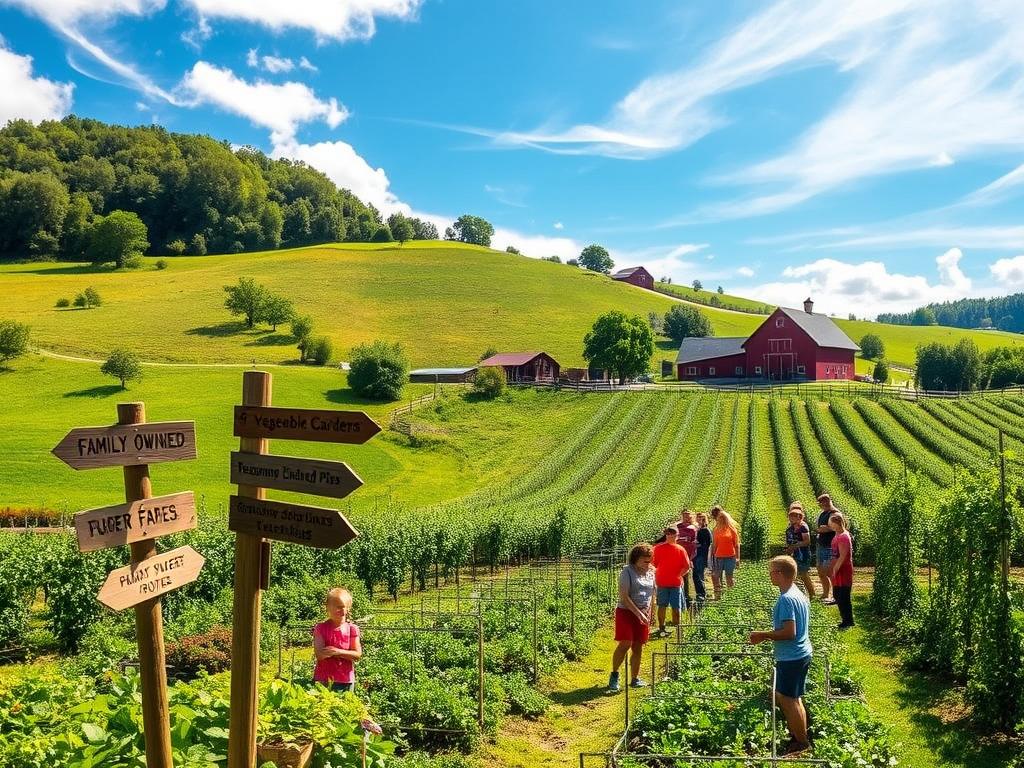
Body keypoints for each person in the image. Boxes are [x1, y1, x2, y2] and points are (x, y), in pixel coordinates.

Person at [749, 556, 813, 756]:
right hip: (801, 652)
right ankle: (798, 736)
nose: (770, 575)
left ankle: (802, 744)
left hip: (792, 656)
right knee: (793, 698)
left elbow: (789, 632)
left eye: (771, 572)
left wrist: (763, 635)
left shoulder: (786, 599)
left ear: (779, 574)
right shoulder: (798, 593)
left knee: (788, 700)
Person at [608, 543, 655, 692]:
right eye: (644, 561)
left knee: (638, 645)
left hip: (643, 613)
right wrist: (638, 613)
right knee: (626, 643)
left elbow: (652, 595)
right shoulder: (627, 572)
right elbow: (624, 596)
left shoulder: (651, 572)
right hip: (626, 612)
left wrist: (650, 613)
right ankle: (614, 675)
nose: (648, 564)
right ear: (635, 559)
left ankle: (635, 678)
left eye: (650, 560)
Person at [312, 587, 362, 692]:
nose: (339, 610)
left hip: (345, 681)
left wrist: (336, 652)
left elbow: (357, 655)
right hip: (323, 679)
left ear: (348, 608)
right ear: (327, 607)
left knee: (345, 706)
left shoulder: (352, 629)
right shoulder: (320, 628)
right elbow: (320, 655)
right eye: (336, 606)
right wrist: (346, 654)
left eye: (343, 607)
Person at [652, 525, 691, 637]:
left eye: (672, 534)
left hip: (674, 583)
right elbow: (652, 564)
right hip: (663, 582)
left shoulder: (680, 549)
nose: (671, 536)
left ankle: (676, 628)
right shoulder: (659, 549)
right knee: (662, 605)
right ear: (666, 535)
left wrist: (678, 576)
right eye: (669, 534)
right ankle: (662, 627)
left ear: (677, 535)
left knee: (675, 607)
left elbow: (686, 566)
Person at [828, 512, 855, 629]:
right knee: (837, 594)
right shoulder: (837, 534)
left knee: (843, 596)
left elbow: (843, 556)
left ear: (837, 523)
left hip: (843, 569)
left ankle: (848, 621)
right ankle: (845, 619)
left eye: (831, 523)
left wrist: (835, 569)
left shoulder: (844, 536)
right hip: (837, 569)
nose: (830, 526)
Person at [784, 503, 815, 597]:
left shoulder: (803, 527)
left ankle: (812, 595)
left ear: (798, 517)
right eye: (790, 517)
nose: (790, 519)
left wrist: (795, 546)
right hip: (795, 554)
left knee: (804, 574)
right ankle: (800, 594)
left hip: (803, 554)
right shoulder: (791, 527)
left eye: (792, 517)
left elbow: (807, 541)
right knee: (796, 574)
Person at [711, 509, 741, 599]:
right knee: (717, 576)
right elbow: (714, 545)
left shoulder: (732, 530)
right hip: (719, 557)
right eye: (720, 518)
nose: (721, 519)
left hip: (730, 557)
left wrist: (738, 558)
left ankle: (730, 596)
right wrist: (713, 556)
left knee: (729, 577)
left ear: (726, 518)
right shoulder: (716, 530)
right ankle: (718, 595)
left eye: (723, 518)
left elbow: (736, 545)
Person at [815, 493, 839, 604]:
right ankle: (825, 594)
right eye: (821, 503)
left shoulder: (835, 514)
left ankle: (835, 596)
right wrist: (822, 529)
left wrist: (826, 528)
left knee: (830, 572)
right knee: (821, 571)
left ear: (828, 501)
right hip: (821, 544)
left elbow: (837, 527)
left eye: (823, 502)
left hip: (830, 546)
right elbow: (820, 528)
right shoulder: (823, 514)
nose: (822, 505)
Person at [675, 510, 698, 604]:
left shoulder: (693, 528)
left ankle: (686, 595)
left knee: (685, 575)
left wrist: (692, 556)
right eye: (684, 516)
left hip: (688, 554)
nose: (686, 518)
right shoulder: (677, 527)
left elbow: (695, 542)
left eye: (688, 516)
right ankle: (678, 595)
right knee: (677, 575)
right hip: (677, 554)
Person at [692, 512, 712, 604]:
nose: (699, 520)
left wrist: (697, 545)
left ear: (705, 520)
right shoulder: (698, 529)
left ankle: (701, 594)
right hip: (696, 555)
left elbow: (707, 544)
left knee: (698, 575)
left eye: (702, 518)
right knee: (696, 575)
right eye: (698, 518)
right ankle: (700, 593)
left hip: (701, 555)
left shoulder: (705, 530)